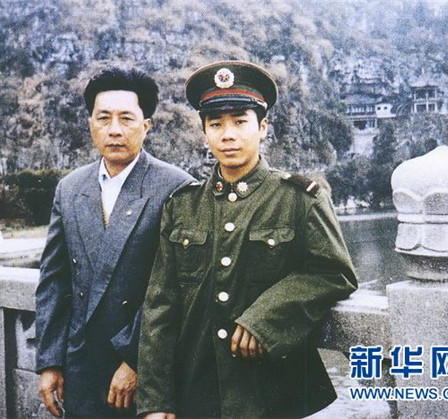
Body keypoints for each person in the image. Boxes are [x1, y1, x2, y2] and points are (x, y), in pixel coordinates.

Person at [137, 61, 358, 418]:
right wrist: (155, 401)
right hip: (196, 393)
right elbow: (160, 306)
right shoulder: (182, 207)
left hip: (272, 394)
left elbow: (334, 272)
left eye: (240, 122)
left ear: (263, 127)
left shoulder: (299, 199)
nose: (228, 135)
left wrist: (265, 317)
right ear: (204, 132)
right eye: (216, 124)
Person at [35, 67, 194, 417]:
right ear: (90, 124)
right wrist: (49, 361)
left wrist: (135, 360)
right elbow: (54, 280)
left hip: (147, 368)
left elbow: (181, 287)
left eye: (126, 118)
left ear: (146, 125)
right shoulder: (70, 188)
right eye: (103, 118)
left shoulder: (176, 187)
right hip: (81, 366)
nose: (115, 129)